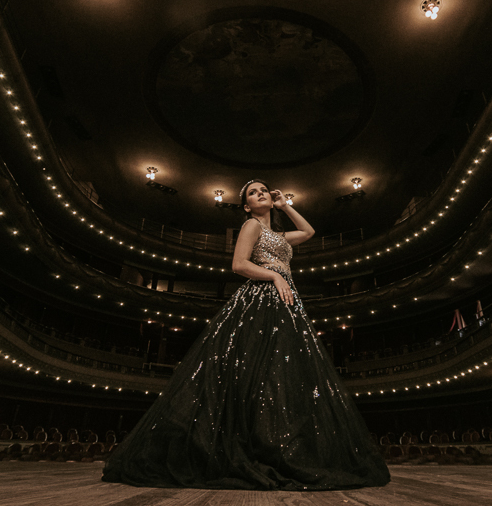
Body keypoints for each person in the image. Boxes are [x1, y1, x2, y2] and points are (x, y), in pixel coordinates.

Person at [103, 180, 390, 490]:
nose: (261, 193)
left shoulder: (279, 235)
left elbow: (308, 233)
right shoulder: (251, 225)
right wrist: (272, 274)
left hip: (285, 299)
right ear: (246, 206)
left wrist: (285, 206)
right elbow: (239, 265)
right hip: (262, 297)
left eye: (264, 190)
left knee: (278, 375)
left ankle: (272, 445)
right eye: (253, 193)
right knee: (253, 370)